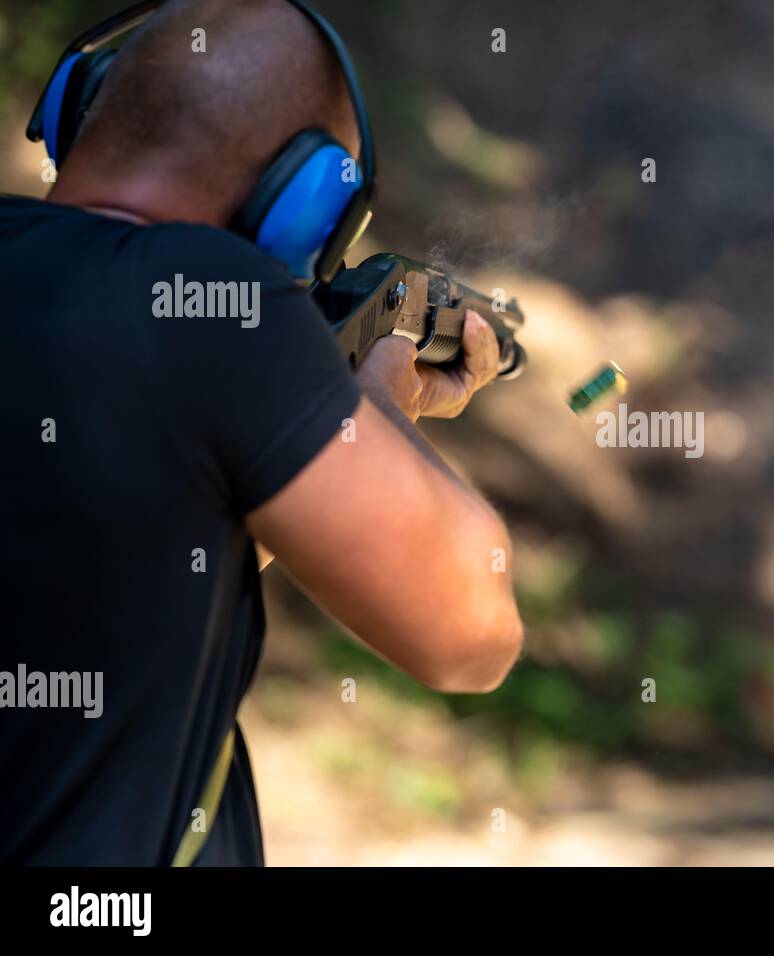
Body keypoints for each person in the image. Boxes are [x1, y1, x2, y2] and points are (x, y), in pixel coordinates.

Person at [0, 0, 523, 865]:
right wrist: (378, 411)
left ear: (77, 103)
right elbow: (470, 630)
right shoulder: (215, 304)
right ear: (306, 206)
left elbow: (125, 578)